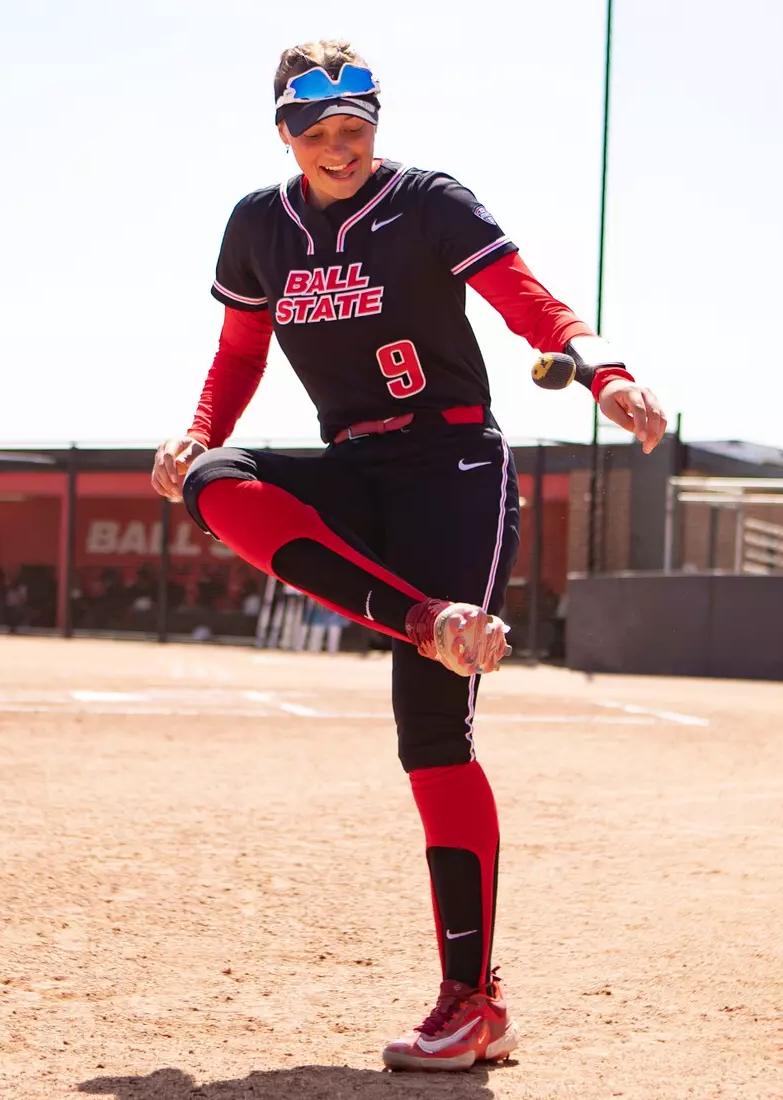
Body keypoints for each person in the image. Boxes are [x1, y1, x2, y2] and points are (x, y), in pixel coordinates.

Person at [148, 40, 667, 1072]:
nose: (341, 147)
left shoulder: (428, 200)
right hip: (354, 467)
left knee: (432, 739)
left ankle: (474, 1001)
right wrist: (198, 430)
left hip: (454, 469)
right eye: (319, 131)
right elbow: (240, 352)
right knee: (215, 481)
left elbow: (529, 296)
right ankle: (427, 621)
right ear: (285, 133)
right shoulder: (259, 226)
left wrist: (604, 368)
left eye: (357, 128)